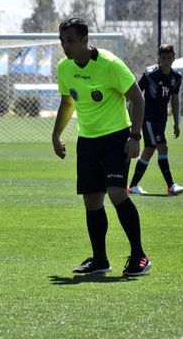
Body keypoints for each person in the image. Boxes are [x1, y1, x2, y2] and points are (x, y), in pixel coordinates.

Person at [52, 17, 152, 277]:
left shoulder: (110, 65)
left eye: (70, 40)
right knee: (92, 201)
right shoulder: (64, 68)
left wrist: (135, 136)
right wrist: (56, 135)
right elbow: (67, 103)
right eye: (62, 41)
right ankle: (100, 260)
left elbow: (138, 99)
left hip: (116, 138)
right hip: (87, 141)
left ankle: (140, 256)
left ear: (85, 40)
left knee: (117, 193)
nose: (65, 46)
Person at [128, 43, 183, 196]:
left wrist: (176, 123)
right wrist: (133, 120)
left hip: (161, 119)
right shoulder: (150, 74)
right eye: (163, 57)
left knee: (149, 150)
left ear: (174, 58)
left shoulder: (176, 77)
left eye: (169, 57)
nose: (166, 60)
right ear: (159, 58)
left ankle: (133, 186)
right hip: (148, 117)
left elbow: (174, 99)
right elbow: (135, 95)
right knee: (163, 146)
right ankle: (171, 186)